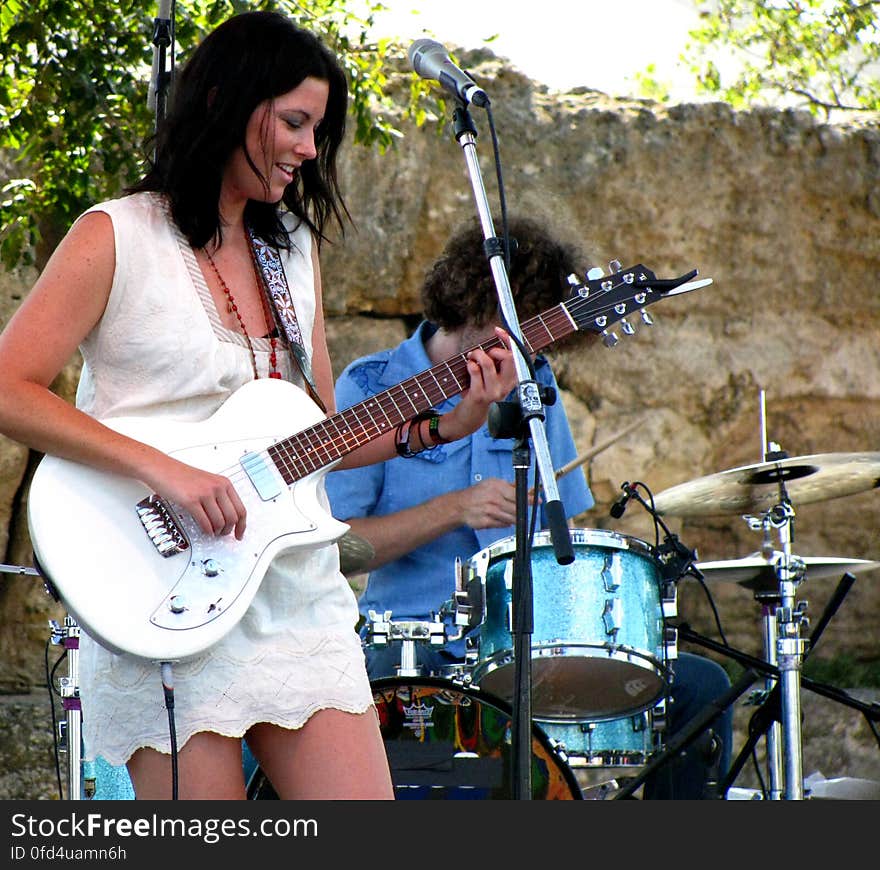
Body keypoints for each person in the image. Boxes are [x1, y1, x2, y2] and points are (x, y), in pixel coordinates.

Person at [0, 11, 515, 800]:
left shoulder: (290, 252)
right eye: (296, 123)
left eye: (319, 130)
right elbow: (8, 388)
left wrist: (445, 425)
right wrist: (167, 472)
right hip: (160, 583)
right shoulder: (116, 236)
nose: (311, 149)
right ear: (223, 102)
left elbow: (318, 439)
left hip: (292, 592)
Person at [326, 215, 735, 799]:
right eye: (520, 334)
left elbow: (562, 542)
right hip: (412, 652)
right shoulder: (372, 386)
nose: (529, 357)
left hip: (523, 649)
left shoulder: (534, 384)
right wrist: (454, 509)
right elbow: (338, 549)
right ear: (476, 304)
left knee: (700, 686)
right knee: (458, 772)